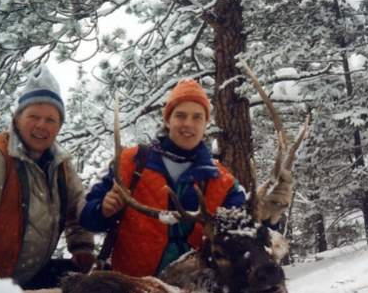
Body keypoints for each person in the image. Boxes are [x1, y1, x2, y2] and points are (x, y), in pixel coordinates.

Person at [80, 78, 255, 277]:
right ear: (167, 120)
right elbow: (87, 219)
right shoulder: (132, 162)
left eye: (197, 117)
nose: (188, 124)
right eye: (180, 115)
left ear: (207, 123)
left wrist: (271, 214)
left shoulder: (222, 181)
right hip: (133, 291)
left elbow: (246, 234)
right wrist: (103, 209)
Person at [0, 66, 95, 289]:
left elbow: (76, 211)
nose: (41, 125)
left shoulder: (60, 164)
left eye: (51, 119)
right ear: (17, 118)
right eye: (33, 116)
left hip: (28, 277)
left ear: (59, 126)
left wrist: (83, 248)